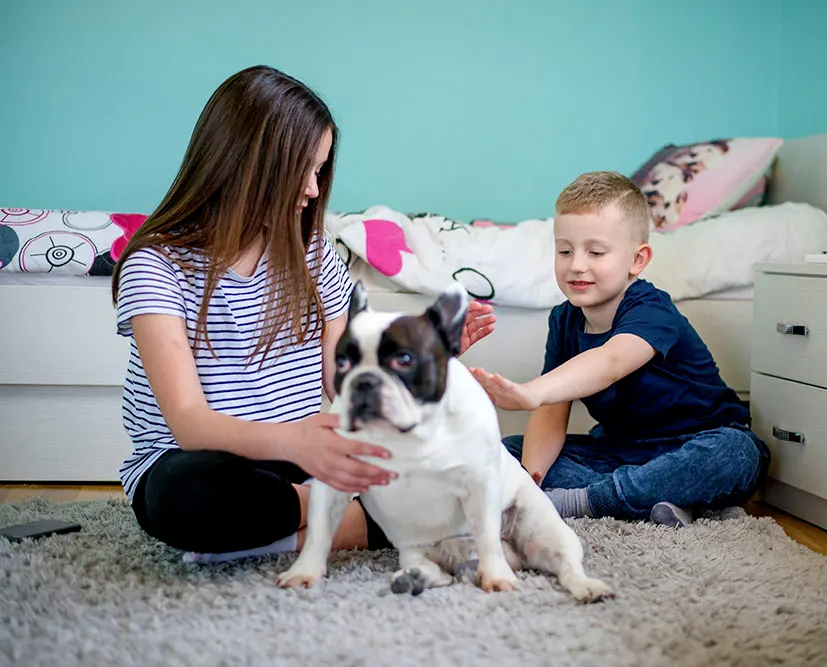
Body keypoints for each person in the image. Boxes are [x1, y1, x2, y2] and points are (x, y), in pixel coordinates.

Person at [110, 65, 495, 563]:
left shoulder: (311, 250)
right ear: (249, 163)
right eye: (305, 169)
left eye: (320, 171)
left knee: (468, 455)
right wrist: (307, 463)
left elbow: (343, 376)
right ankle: (348, 517)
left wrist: (423, 354)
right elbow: (188, 423)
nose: (314, 190)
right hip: (210, 462)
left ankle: (258, 540)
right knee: (185, 496)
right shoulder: (156, 265)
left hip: (304, 455)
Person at [470, 171, 770, 527]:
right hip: (620, 452)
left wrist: (531, 392)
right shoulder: (564, 320)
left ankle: (586, 501)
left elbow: (611, 360)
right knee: (508, 451)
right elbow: (553, 411)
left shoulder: (651, 309)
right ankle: (662, 500)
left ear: (637, 260)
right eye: (565, 250)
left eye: (595, 252)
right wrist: (529, 479)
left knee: (736, 454)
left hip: (696, 443)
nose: (577, 264)